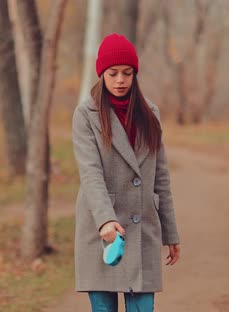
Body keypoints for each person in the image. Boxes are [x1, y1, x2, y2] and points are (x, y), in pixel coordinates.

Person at [72, 33, 181, 312]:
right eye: (113, 73)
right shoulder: (86, 115)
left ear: (134, 74)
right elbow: (90, 173)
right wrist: (105, 220)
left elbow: (161, 177)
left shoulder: (150, 114)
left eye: (127, 73)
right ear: (102, 74)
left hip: (142, 229)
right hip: (101, 233)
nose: (120, 80)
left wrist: (171, 233)